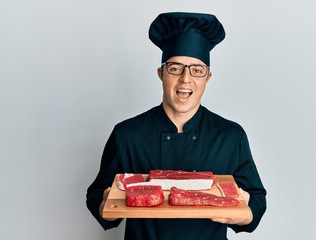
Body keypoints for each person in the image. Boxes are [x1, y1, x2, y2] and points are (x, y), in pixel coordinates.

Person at [86, 12, 266, 240]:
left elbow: (257, 198)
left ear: (207, 78)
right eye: (175, 68)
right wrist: (106, 204)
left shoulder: (231, 136)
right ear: (161, 74)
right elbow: (96, 195)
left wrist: (245, 215)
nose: (185, 79)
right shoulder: (127, 134)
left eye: (197, 70)